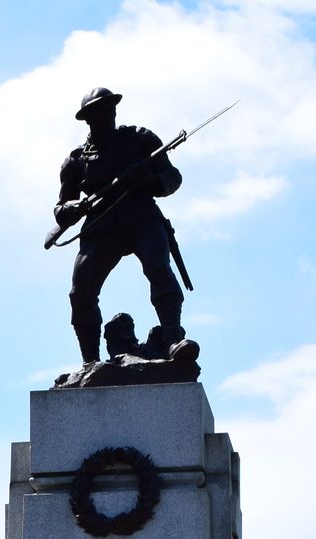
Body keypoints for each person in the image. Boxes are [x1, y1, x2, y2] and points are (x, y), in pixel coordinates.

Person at [55, 88, 187, 365]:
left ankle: (174, 339)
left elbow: (172, 177)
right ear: (88, 119)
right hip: (101, 227)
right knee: (81, 293)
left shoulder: (140, 139)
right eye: (101, 112)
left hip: (141, 216)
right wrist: (72, 209)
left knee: (160, 269)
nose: (109, 115)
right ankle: (90, 361)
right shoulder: (77, 160)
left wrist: (149, 181)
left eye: (111, 109)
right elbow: (61, 209)